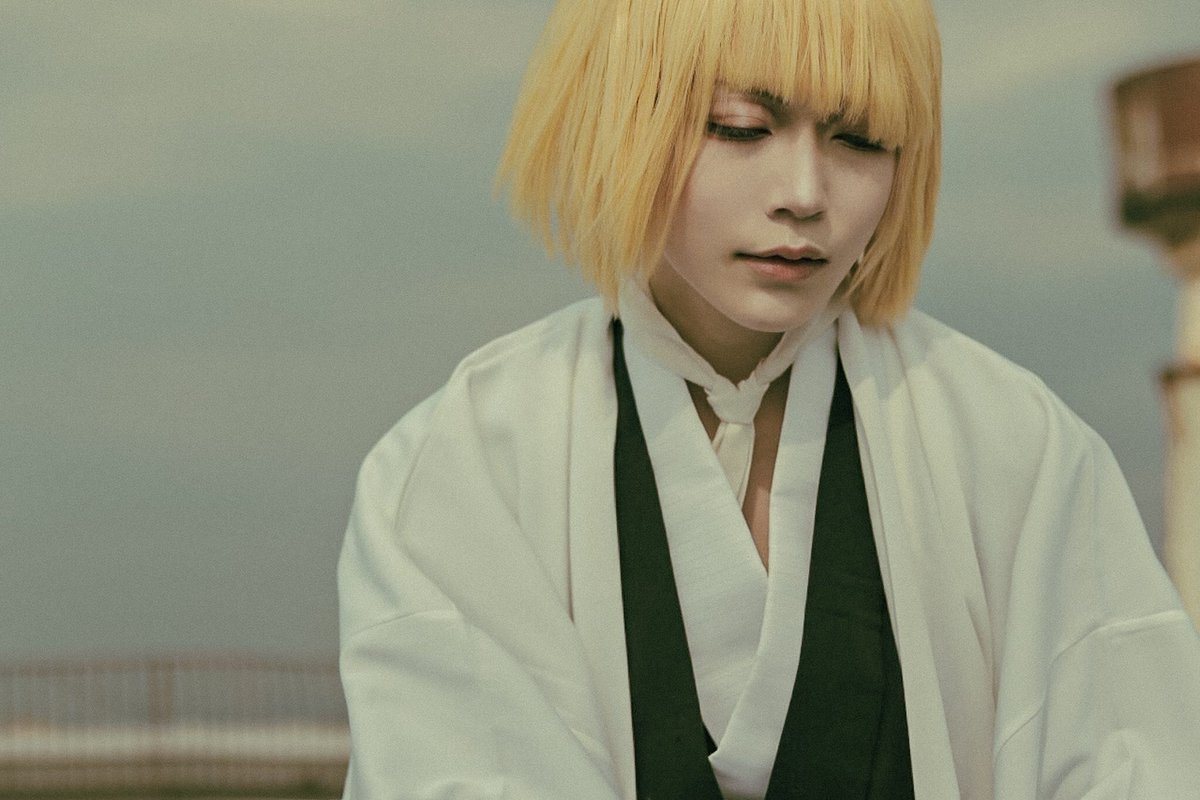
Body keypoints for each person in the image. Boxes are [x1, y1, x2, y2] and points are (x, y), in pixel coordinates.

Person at [337, 0, 1200, 797]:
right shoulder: (462, 465)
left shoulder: (1013, 444)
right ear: (618, 120)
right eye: (739, 127)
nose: (805, 195)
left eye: (861, 140)